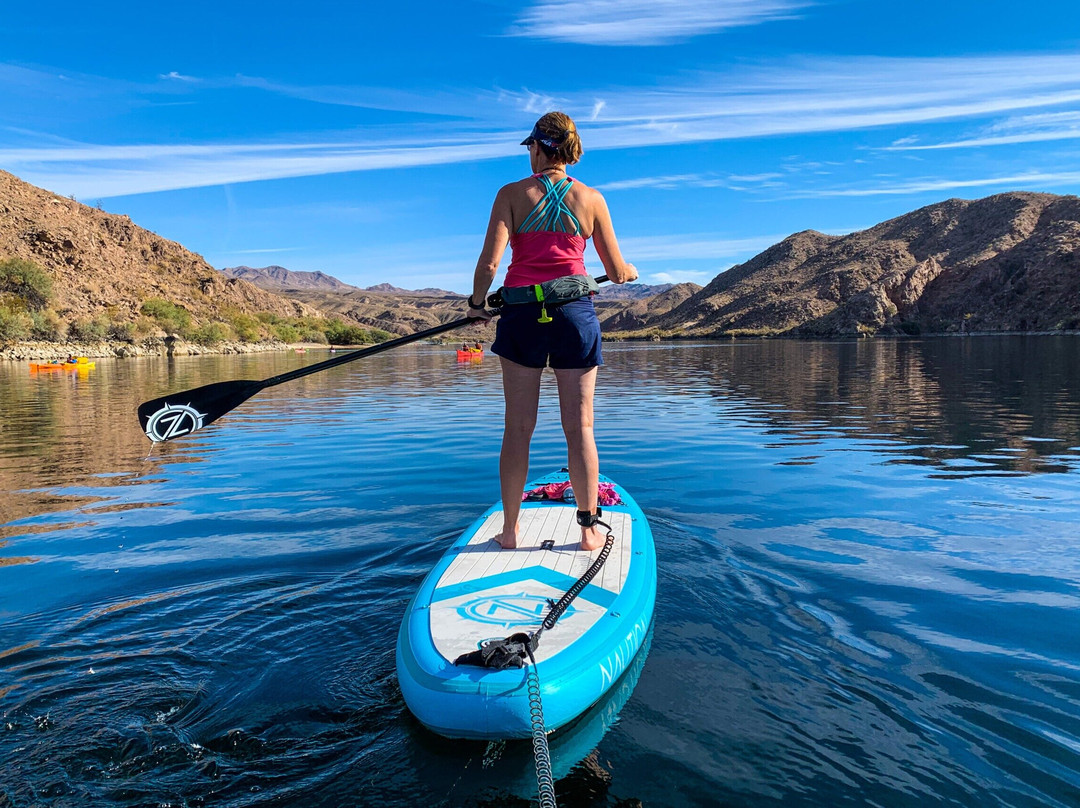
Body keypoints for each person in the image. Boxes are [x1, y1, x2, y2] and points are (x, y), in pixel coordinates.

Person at [467, 111, 637, 551]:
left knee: (517, 427)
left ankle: (509, 531)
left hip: (522, 318)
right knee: (580, 426)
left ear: (540, 148)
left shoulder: (509, 194)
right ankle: (587, 530)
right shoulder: (593, 199)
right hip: (574, 318)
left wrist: (475, 306)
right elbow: (616, 270)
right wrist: (627, 271)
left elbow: (489, 264)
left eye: (530, 147)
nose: (529, 154)